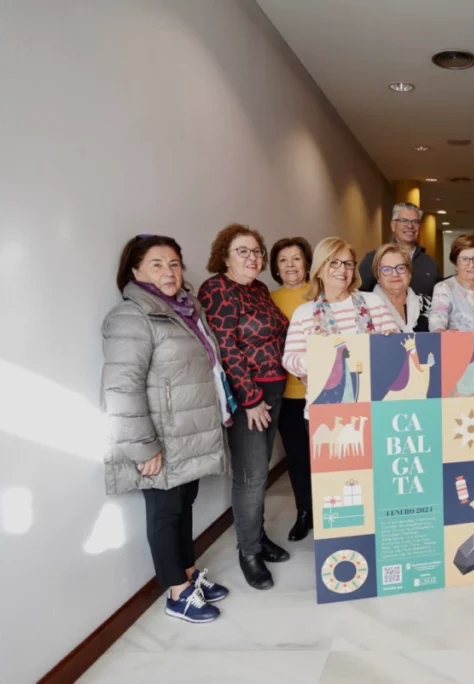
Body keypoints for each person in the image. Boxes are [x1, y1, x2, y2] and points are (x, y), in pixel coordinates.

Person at [102, 235, 232, 623]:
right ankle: (177, 593)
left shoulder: (184, 310)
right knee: (164, 513)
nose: (169, 271)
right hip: (158, 438)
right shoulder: (132, 316)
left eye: (174, 263)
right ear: (136, 271)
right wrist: (143, 448)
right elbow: (121, 389)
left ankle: (189, 576)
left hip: (185, 434)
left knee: (182, 506)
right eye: (157, 264)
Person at [199, 224, 291, 591]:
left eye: (256, 251)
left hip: (275, 389)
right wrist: (251, 399)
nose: (253, 258)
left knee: (261, 471)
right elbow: (227, 348)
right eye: (243, 251)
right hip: (247, 398)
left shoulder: (259, 289)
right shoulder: (217, 290)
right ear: (224, 256)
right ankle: (248, 551)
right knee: (251, 477)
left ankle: (258, 536)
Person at [282, 237, 399, 392]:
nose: (342, 270)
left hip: (375, 399)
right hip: (327, 407)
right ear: (319, 270)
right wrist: (316, 357)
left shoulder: (373, 302)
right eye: (334, 263)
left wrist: (388, 341)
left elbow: (396, 344)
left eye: (348, 264)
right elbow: (289, 359)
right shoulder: (303, 313)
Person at [268, 237, 315, 542]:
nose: (290, 265)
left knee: (329, 458)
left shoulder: (319, 295)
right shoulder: (268, 299)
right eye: (283, 260)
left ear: (307, 263)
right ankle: (304, 513)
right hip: (287, 395)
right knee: (298, 459)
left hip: (324, 394)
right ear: (275, 267)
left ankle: (331, 512)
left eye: (296, 259)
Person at [358, 202, 440, 296]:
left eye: (415, 222)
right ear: (393, 225)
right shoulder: (374, 258)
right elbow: (359, 296)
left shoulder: (430, 263)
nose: (410, 226)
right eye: (404, 221)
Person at [429, 234, 474, 332]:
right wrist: (443, 335)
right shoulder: (444, 288)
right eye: (464, 259)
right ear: (456, 263)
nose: (471, 265)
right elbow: (437, 322)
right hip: (454, 346)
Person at [372, 244, 430, 333]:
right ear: (378, 276)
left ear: (409, 273)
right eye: (387, 269)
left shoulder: (430, 304)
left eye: (401, 268)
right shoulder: (366, 307)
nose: (395, 274)